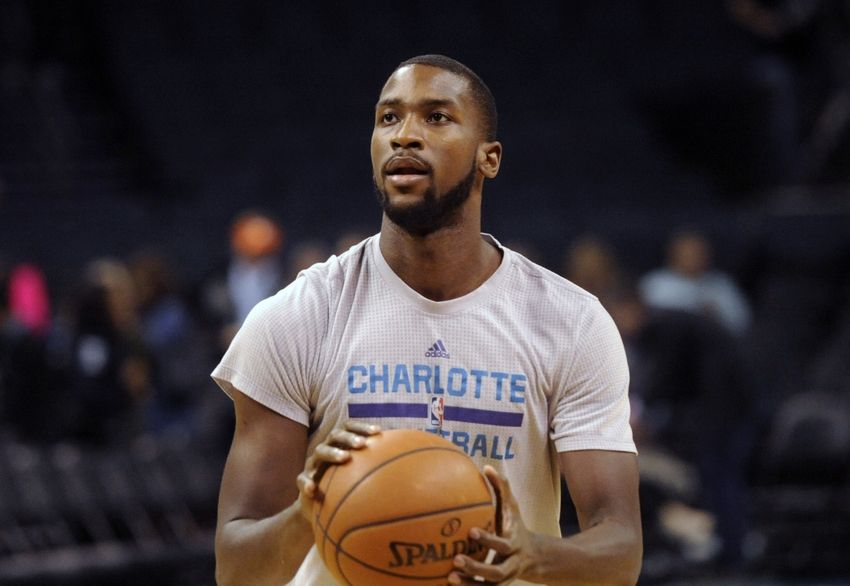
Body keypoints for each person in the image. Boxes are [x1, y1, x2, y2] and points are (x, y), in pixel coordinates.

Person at [212, 55, 642, 585]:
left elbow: (621, 551)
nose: (404, 135)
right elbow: (236, 570)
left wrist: (534, 555)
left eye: (436, 117)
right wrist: (311, 514)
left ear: (489, 158)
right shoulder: (296, 318)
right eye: (388, 118)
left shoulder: (571, 322)